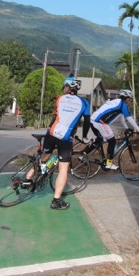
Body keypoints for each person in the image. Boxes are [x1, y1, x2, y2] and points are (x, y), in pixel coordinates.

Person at [26, 78, 90, 210]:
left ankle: (28, 178)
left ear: (67, 87)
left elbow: (56, 116)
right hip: (66, 138)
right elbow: (87, 122)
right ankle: (56, 200)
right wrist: (84, 136)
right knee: (63, 169)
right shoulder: (84, 103)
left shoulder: (60, 99)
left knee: (45, 155)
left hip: (52, 133)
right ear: (77, 90)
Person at [90, 89, 139, 170]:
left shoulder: (117, 102)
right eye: (130, 99)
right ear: (126, 98)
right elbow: (129, 118)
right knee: (112, 141)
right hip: (100, 122)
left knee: (98, 141)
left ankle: (83, 155)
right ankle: (109, 164)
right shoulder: (122, 104)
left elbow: (122, 119)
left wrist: (126, 128)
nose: (130, 102)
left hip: (93, 119)